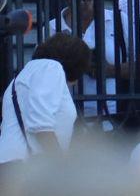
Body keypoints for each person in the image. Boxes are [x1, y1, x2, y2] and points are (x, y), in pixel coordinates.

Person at [0, 32, 92, 166]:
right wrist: (60, 167)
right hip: (23, 169)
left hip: (12, 164)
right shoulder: (50, 67)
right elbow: (41, 125)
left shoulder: (28, 73)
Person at [47, 0, 123, 124]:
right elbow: (40, 74)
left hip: (111, 114)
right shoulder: (52, 28)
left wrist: (107, 70)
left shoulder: (117, 20)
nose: (86, 3)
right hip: (67, 117)